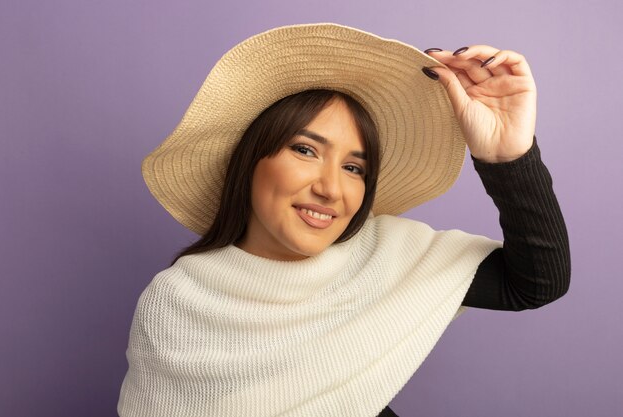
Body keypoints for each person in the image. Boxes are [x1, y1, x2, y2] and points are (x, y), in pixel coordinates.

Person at [117, 23, 570, 417]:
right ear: (250, 159)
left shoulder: (386, 254)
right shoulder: (177, 303)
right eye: (305, 149)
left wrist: (508, 157)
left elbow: (534, 284)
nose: (332, 189)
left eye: (355, 168)